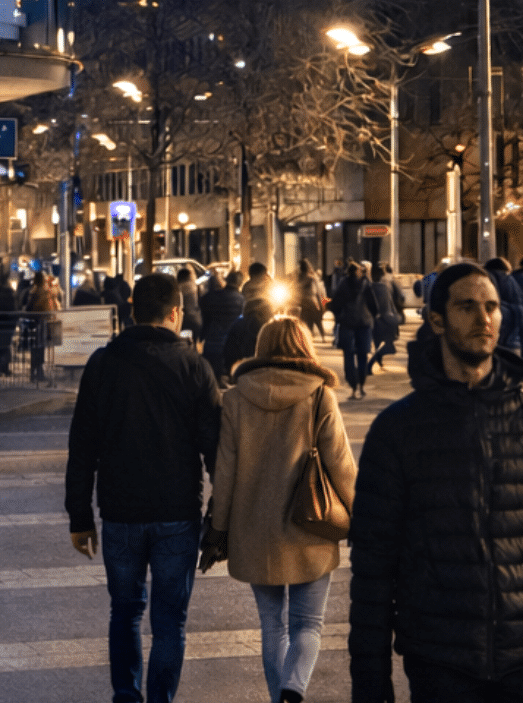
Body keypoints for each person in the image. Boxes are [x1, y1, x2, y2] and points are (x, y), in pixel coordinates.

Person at [348, 262, 523, 702]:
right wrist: (371, 686)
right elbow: (373, 569)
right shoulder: (398, 431)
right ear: (437, 320)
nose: (484, 318)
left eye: (492, 307)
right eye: (467, 307)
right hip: (440, 665)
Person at [66, 271, 222, 703]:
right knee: (170, 622)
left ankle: (126, 695)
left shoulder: (103, 364)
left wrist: (80, 516)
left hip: (120, 513)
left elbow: (83, 446)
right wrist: (221, 517)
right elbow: (216, 451)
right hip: (178, 513)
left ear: (132, 312)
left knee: (125, 612)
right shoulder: (195, 367)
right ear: (174, 314)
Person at [201, 315, 357, 703]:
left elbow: (225, 472)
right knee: (309, 624)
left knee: (271, 625)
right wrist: (362, 517)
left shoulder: (235, 398)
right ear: (304, 346)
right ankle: (292, 691)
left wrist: (219, 527)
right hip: (310, 525)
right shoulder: (319, 395)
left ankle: (279, 698)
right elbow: (340, 465)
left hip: (253, 529)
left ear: (262, 346)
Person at [330, 263, 380, 399]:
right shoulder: (366, 284)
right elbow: (373, 305)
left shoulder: (342, 284)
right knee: (362, 356)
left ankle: (353, 387)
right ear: (359, 272)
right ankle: (361, 387)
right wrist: (373, 317)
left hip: (347, 324)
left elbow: (335, 304)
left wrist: (339, 318)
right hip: (364, 324)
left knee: (348, 356)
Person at [199, 269, 245, 383]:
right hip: (231, 344)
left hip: (212, 342)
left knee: (211, 378)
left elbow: (204, 315)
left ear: (227, 280)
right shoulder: (241, 300)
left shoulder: (211, 297)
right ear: (240, 284)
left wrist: (201, 336)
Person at [225, 293, 276, 375]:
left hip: (240, 369)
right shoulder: (268, 326)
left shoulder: (237, 324)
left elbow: (229, 350)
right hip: (263, 371)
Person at [29, 268, 64, 381]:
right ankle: (39, 373)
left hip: (34, 323)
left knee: (35, 349)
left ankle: (33, 372)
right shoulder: (45, 293)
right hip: (43, 323)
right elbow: (49, 308)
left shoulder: (32, 292)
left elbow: (29, 307)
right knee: (40, 348)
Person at [484, 256, 523, 354]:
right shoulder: (510, 280)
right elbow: (518, 301)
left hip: (490, 316)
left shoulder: (484, 279)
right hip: (510, 318)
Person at [367, 263, 402, 372]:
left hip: (375, 320)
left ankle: (377, 364)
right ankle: (370, 364)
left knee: (378, 344)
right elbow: (391, 304)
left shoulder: (370, 288)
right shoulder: (384, 287)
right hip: (386, 319)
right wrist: (396, 317)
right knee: (390, 347)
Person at [295, 259, 327, 340]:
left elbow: (296, 290)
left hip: (305, 303)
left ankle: (309, 337)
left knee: (306, 322)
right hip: (312, 303)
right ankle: (321, 336)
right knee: (316, 321)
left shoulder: (300, 278)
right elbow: (317, 293)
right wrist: (321, 305)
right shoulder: (311, 278)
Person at [175, 267, 203, 347]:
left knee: (179, 343)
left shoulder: (176, 289)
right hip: (196, 320)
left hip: (181, 321)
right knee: (195, 344)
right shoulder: (196, 287)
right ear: (189, 276)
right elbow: (202, 302)